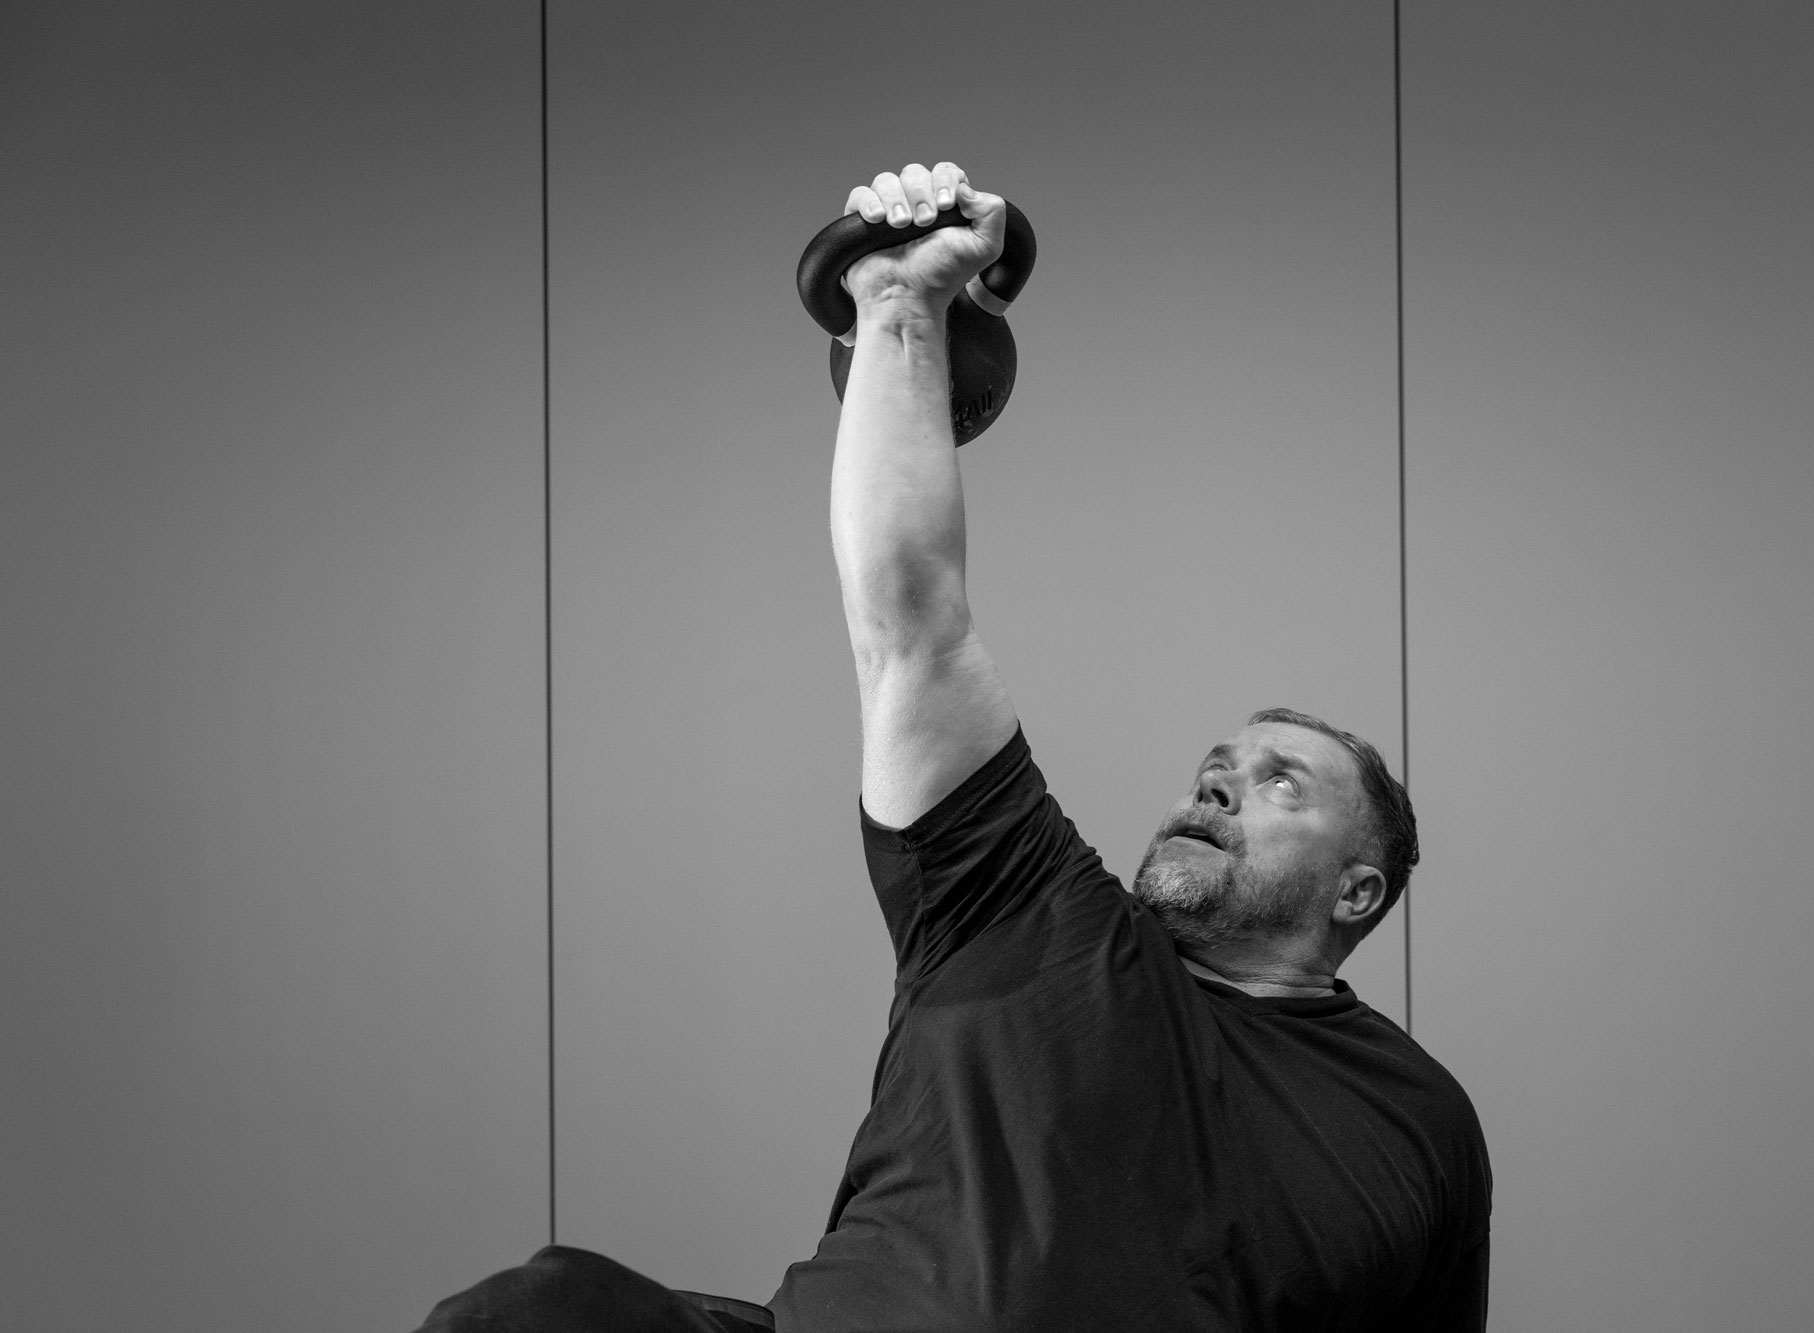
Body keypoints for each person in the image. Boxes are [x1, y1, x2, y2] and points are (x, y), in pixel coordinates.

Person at [415, 162, 1490, 1333]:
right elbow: (910, 620)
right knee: (543, 1310)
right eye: (1214, 768)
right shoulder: (1023, 908)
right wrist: (899, 302)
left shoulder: (1416, 1124)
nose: (1219, 782)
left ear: (1357, 888)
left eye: (1279, 780)